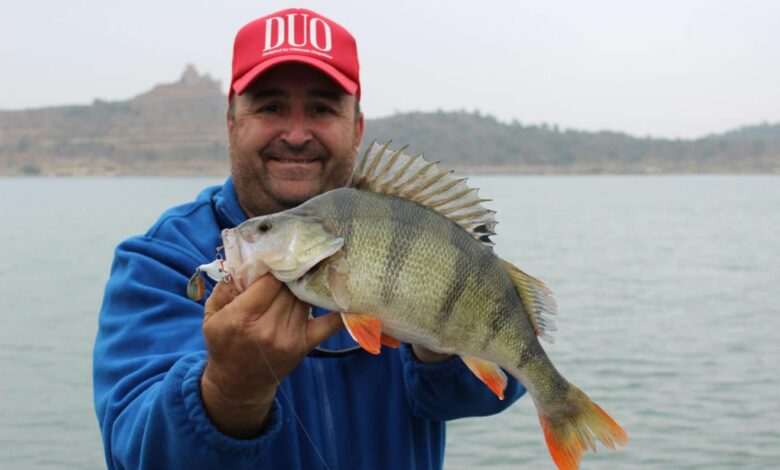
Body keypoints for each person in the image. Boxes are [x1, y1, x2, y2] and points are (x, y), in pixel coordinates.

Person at [93, 8, 524, 469]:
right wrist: (228, 393)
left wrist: (439, 337)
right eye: (271, 106)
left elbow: (489, 388)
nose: (296, 134)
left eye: (321, 108)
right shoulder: (159, 262)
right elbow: (137, 452)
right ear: (232, 122)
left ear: (356, 128)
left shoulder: (406, 225)